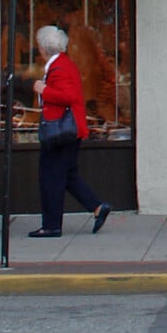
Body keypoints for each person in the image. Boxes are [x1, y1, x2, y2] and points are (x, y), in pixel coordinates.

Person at [30, 25, 110, 238]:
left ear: (45, 48)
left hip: (60, 130)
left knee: (50, 178)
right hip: (68, 129)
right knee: (68, 176)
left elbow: (67, 97)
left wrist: (43, 90)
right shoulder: (63, 64)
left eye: (39, 45)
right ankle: (97, 207)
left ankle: (51, 225)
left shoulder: (60, 67)